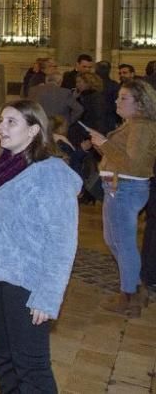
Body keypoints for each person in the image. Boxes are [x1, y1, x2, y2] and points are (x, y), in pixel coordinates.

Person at [0, 101, 80, 393]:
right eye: (1, 120)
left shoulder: (51, 174)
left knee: (31, 364)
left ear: (34, 130)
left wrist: (48, 295)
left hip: (27, 277)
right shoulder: (0, 166)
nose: (2, 127)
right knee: (3, 355)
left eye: (12, 122)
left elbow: (62, 240)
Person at [82, 79, 156, 316]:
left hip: (125, 188)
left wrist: (104, 143)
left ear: (141, 103)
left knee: (123, 244)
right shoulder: (134, 124)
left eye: (124, 98)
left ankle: (129, 296)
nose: (117, 100)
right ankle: (133, 287)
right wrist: (101, 145)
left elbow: (133, 164)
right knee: (115, 241)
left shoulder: (142, 126)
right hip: (119, 187)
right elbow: (122, 156)